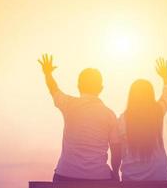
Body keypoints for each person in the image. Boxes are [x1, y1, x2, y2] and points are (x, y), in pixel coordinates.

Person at [38, 54, 121, 182]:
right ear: (101, 88)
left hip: (65, 176)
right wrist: (115, 173)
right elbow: (116, 150)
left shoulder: (68, 104)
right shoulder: (109, 115)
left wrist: (48, 74)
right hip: (99, 178)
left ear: (78, 86)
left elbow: (53, 89)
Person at [119, 58, 167, 181]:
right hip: (159, 174)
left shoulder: (123, 119)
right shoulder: (157, 111)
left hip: (131, 176)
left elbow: (120, 149)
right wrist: (165, 77)